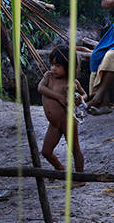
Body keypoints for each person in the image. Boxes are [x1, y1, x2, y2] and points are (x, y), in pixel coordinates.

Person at [37, 46, 87, 174]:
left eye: (58, 65)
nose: (53, 68)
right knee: (46, 152)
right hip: (54, 124)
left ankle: (80, 177)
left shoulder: (71, 82)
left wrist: (80, 99)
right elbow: (40, 88)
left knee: (75, 149)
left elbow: (84, 94)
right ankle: (59, 168)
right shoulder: (48, 77)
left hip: (67, 121)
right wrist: (58, 96)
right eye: (52, 64)